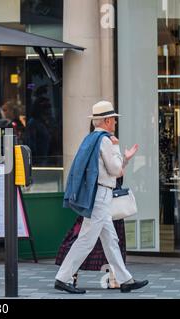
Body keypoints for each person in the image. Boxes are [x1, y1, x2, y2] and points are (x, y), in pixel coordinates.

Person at [55, 100, 148, 294]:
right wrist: (117, 149)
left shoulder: (91, 139)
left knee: (110, 239)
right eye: (113, 119)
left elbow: (112, 168)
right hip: (101, 195)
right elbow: (115, 170)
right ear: (105, 121)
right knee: (87, 240)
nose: (115, 122)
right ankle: (63, 278)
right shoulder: (106, 140)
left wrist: (126, 158)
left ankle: (125, 279)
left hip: (98, 194)